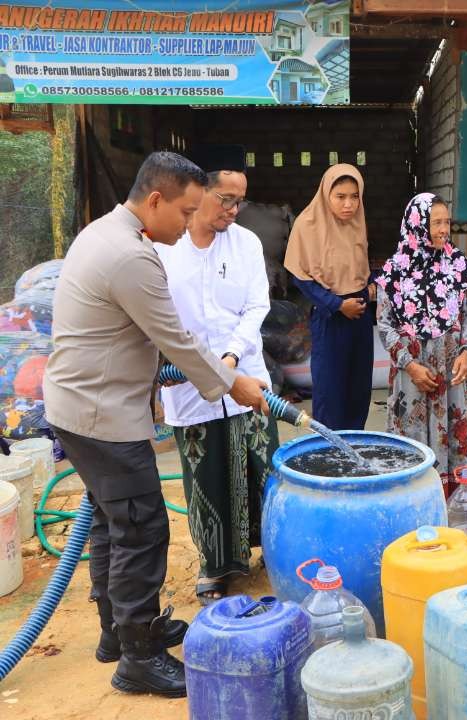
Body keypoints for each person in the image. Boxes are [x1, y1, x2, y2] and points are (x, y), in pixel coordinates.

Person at [43, 151, 269, 697]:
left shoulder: (108, 234)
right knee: (143, 529)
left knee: (111, 523)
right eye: (186, 209)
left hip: (83, 406)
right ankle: (139, 658)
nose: (189, 220)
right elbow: (178, 341)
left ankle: (115, 634)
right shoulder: (133, 256)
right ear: (156, 201)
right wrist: (234, 383)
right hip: (102, 414)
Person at [154, 145, 277, 605]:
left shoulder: (245, 243)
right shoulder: (166, 247)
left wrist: (229, 357)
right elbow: (158, 315)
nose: (233, 210)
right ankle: (216, 565)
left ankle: (272, 550)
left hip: (245, 376)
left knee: (262, 466)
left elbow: (256, 306)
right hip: (189, 386)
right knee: (206, 475)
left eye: (239, 200)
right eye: (225, 199)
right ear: (197, 192)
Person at [376, 193, 467, 495]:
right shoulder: (395, 269)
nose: (444, 229)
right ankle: (413, 502)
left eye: (447, 222)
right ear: (417, 223)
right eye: (436, 223)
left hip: (449, 371)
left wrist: (466, 354)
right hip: (412, 373)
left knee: (453, 429)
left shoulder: (459, 264)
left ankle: (452, 503)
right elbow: (385, 325)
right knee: (411, 432)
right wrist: (410, 366)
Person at [285, 164, 373, 430]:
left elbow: (359, 266)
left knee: (358, 389)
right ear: (326, 195)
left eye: (354, 196)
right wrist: (336, 305)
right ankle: (329, 457)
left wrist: (369, 288)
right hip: (330, 317)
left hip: (359, 316)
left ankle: (354, 450)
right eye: (340, 196)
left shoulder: (357, 223)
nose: (348, 204)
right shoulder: (307, 224)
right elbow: (299, 276)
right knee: (330, 390)